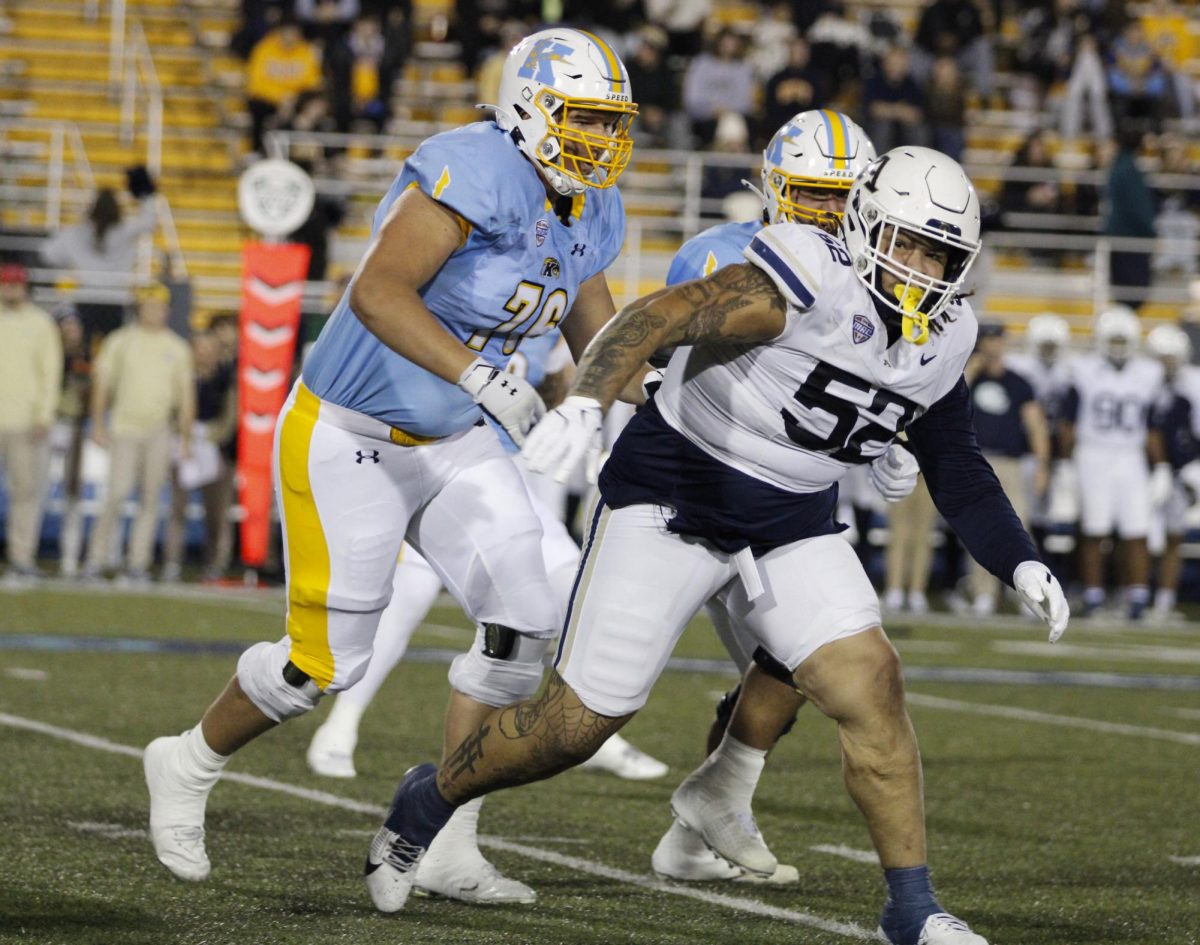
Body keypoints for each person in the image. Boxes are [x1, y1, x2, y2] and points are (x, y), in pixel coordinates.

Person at [364, 147, 1070, 945]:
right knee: (576, 725)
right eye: (905, 242)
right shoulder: (808, 272)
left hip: (790, 520)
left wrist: (1020, 558)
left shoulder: (946, 333)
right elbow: (656, 315)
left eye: (937, 252)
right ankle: (427, 798)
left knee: (871, 681)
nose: (917, 265)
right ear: (865, 223)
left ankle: (911, 909)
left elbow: (955, 458)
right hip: (676, 492)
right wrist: (589, 404)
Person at [142, 28, 641, 903]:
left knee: (525, 621)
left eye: (610, 123)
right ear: (528, 108)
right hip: (351, 430)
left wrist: (604, 401)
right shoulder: (473, 167)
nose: (598, 141)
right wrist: (485, 373)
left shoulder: (593, 205)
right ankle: (186, 760)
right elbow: (377, 291)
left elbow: (598, 342)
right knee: (322, 667)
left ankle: (445, 835)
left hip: (454, 438)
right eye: (581, 118)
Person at [649, 109, 898, 885]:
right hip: (698, 488)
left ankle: (699, 830)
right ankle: (445, 814)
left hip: (797, 505)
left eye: (839, 197)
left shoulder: (874, 276)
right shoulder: (721, 254)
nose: (825, 213)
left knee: (787, 668)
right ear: (772, 189)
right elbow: (662, 360)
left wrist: (895, 447)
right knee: (593, 691)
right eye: (810, 195)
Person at [304, 331, 668, 796]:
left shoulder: (551, 315)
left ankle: (584, 729)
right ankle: (339, 727)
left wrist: (561, 415)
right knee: (407, 598)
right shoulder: (462, 305)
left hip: (508, 477)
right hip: (438, 463)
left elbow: (559, 381)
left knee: (575, 594)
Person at [81, 282, 195, 583]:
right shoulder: (121, 341)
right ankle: (95, 559)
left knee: (150, 498)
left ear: (167, 311)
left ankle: (137, 563)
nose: (153, 312)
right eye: (148, 306)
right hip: (125, 426)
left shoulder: (176, 347)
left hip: (159, 429)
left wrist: (185, 438)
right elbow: (102, 385)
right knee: (116, 494)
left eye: (158, 307)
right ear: (140, 308)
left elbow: (185, 395)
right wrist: (98, 423)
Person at [1057, 306, 1166, 620]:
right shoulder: (1083, 369)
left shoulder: (1149, 373)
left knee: (1138, 528)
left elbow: (1152, 426)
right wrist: (1065, 462)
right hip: (1093, 453)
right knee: (1094, 527)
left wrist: (1159, 466)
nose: (1118, 346)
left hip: (1130, 455)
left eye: (1123, 340)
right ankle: (1093, 596)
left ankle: (1137, 597)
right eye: (1113, 340)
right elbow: (1068, 423)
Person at [962, 323, 1051, 616]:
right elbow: (950, 397)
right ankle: (984, 593)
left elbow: (1036, 425)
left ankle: (1030, 594)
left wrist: (1042, 466)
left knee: (1019, 528)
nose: (992, 346)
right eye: (987, 341)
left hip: (1010, 464)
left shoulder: (1017, 382)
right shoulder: (967, 376)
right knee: (980, 530)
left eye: (995, 340)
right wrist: (974, 367)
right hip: (977, 461)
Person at [40, 168, 159, 346]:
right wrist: (146, 194)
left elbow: (48, 253)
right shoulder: (125, 230)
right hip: (116, 299)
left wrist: (70, 264)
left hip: (86, 298)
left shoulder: (77, 233)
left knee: (83, 349)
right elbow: (149, 221)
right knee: (115, 348)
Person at [0, 263, 62, 581]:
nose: (10, 289)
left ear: (25, 287)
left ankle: (21, 556)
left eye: (15, 284)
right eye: (6, 284)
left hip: (24, 420)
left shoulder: (40, 323)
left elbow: (50, 372)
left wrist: (43, 415)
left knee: (26, 491)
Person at [1143, 324, 1200, 621]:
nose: (1167, 364)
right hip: (1138, 468)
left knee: (1174, 536)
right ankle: (1132, 595)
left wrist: (1193, 468)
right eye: (1162, 357)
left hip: (1179, 471)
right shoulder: (1141, 381)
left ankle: (1164, 601)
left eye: (1172, 357)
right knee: (1135, 536)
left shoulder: (1192, 385)